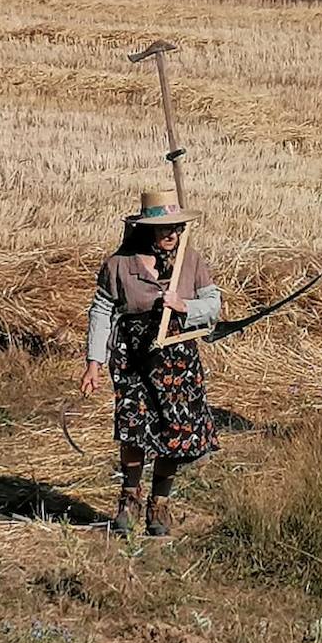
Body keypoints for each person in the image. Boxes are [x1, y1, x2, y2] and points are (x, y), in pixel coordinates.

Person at [80, 190, 221, 535]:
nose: (171, 235)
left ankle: (160, 505)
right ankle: (129, 498)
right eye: (163, 229)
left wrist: (186, 307)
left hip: (177, 360)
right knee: (133, 428)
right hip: (133, 357)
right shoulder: (119, 264)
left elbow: (214, 303)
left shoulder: (191, 260)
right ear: (146, 229)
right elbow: (102, 310)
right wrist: (94, 362)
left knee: (173, 432)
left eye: (175, 227)